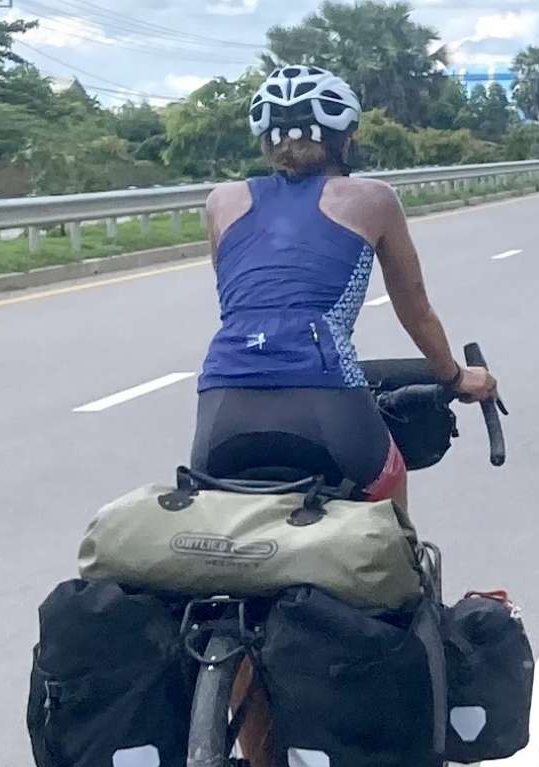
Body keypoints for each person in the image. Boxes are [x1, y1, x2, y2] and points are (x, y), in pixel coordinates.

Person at [195, 65, 495, 507]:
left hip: (220, 404)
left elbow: (251, 306)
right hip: (326, 395)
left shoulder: (221, 201)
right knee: (386, 496)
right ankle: (404, 568)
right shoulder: (373, 198)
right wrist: (454, 375)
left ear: (265, 142)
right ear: (345, 139)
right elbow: (415, 310)